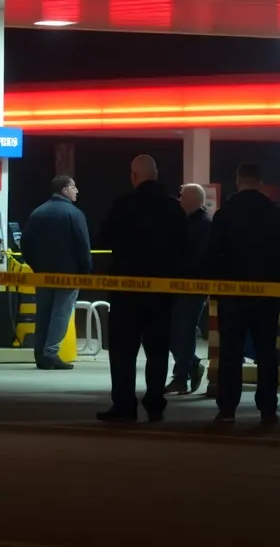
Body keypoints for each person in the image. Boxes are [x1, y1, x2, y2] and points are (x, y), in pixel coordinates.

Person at [207, 163, 280, 424]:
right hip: (267, 295)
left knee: (230, 352)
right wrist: (278, 278)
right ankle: (268, 407)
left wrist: (221, 282)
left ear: (238, 180)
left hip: (232, 294)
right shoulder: (276, 214)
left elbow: (212, 254)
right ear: (260, 181)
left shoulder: (225, 214)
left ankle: (227, 407)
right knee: (266, 352)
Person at [95, 155, 185, 423]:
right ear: (155, 175)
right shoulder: (172, 207)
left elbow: (104, 238)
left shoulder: (123, 205)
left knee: (123, 352)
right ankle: (155, 404)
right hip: (161, 294)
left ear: (134, 176)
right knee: (157, 351)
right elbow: (183, 246)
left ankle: (124, 404)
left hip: (126, 294)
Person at [20, 175, 91, 370]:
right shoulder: (74, 214)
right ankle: (50, 353)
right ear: (64, 189)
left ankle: (40, 354)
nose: (77, 191)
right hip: (68, 275)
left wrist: (35, 266)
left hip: (43, 274)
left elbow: (24, 243)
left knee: (43, 313)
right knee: (61, 314)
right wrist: (85, 271)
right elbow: (82, 245)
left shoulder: (38, 212)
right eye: (74, 187)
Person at [165, 182, 212, 395]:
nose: (179, 199)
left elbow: (197, 258)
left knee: (182, 330)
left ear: (194, 199)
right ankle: (189, 366)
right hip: (179, 285)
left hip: (192, 286)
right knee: (176, 331)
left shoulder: (203, 224)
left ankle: (182, 376)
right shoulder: (187, 223)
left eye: (183, 196)